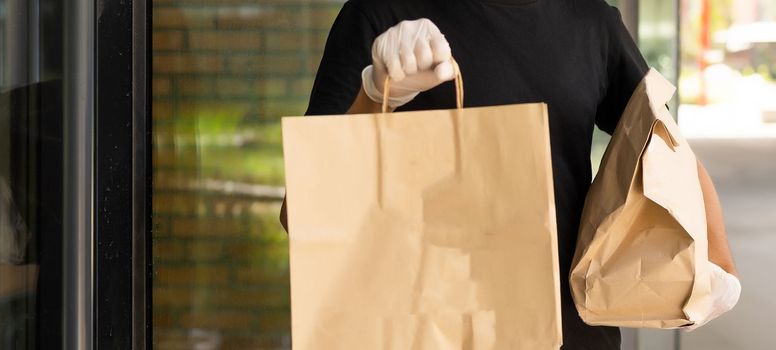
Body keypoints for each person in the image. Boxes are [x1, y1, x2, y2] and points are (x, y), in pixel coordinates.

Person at [280, 0, 740, 348]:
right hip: (419, 326)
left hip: (566, 329)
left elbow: (665, 144)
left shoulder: (588, 20)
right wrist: (374, 95)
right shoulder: (381, 14)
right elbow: (301, 212)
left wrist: (719, 266)